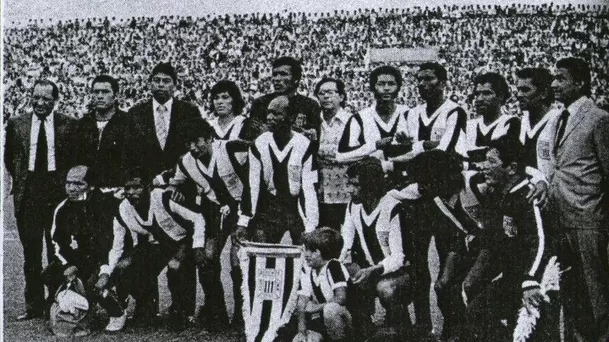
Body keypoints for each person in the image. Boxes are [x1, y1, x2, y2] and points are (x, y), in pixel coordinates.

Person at [156, 118, 251, 331]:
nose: (193, 147)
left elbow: (260, 163)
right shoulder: (186, 161)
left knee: (239, 260)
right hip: (216, 211)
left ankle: (242, 315)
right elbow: (172, 181)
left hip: (244, 209)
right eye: (188, 143)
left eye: (197, 141)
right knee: (207, 258)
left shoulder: (232, 148)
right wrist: (174, 190)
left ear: (209, 138)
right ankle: (215, 311)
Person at [462, 137, 558, 342]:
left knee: (529, 331)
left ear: (511, 168)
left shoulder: (529, 195)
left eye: (491, 161)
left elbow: (540, 241)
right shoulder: (501, 192)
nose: (484, 167)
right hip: (514, 276)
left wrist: (530, 279)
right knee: (476, 312)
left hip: (536, 277)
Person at [4, 79, 78, 320]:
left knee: (57, 251)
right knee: (31, 254)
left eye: (46, 98)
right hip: (30, 195)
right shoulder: (17, 124)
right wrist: (24, 182)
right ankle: (34, 305)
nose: (40, 102)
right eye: (36, 97)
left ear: (55, 101)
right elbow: (9, 159)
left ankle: (55, 301)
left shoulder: (68, 125)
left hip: (57, 194)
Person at [95, 173, 204, 332]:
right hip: (157, 244)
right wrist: (106, 273)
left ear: (148, 187)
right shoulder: (123, 209)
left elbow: (198, 217)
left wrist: (198, 245)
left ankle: (181, 312)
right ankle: (146, 308)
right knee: (126, 266)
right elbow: (117, 246)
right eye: (128, 188)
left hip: (182, 241)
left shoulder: (164, 197)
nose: (132, 192)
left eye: (137, 187)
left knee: (175, 266)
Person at [548, 57, 609, 342]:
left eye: (560, 78)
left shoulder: (598, 118)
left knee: (596, 292)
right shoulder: (560, 116)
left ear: (580, 82)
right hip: (560, 216)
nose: (554, 84)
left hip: (587, 218)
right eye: (554, 78)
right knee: (571, 291)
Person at [339, 158, 413, 340]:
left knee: (385, 288)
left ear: (370, 184)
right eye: (349, 184)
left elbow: (399, 257)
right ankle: (363, 325)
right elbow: (345, 244)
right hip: (370, 270)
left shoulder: (393, 207)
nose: (350, 190)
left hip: (400, 273)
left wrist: (373, 270)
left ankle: (401, 326)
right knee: (343, 274)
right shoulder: (353, 206)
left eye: (355, 185)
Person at [236, 95, 319, 245]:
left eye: (277, 113)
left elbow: (308, 188)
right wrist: (243, 221)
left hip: (295, 206)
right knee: (262, 247)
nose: (270, 117)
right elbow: (252, 184)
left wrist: (310, 224)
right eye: (269, 112)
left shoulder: (304, 145)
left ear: (292, 117)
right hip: (270, 205)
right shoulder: (260, 143)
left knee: (303, 251)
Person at [42, 166, 117, 314]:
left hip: (109, 256)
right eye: (68, 183)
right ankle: (76, 306)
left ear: (92, 186)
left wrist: (104, 271)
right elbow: (57, 242)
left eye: (78, 184)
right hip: (85, 257)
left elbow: (112, 243)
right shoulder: (63, 209)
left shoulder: (107, 205)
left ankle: (117, 308)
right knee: (50, 273)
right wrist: (68, 265)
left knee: (96, 283)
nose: (71, 188)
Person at [127, 62, 202, 180]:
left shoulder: (189, 111)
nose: (161, 85)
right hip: (145, 184)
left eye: (166, 81)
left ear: (175, 85)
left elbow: (196, 149)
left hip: (181, 184)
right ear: (150, 84)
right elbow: (130, 153)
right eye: (157, 80)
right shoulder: (135, 113)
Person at [336, 66, 410, 163]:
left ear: (398, 87)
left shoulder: (409, 114)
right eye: (381, 84)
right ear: (372, 87)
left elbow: (423, 147)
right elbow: (341, 156)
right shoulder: (359, 118)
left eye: (391, 84)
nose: (386, 88)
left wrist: (408, 145)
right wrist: (374, 146)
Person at [293, 227, 352, 342]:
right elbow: (302, 302)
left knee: (330, 310)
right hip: (322, 320)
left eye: (312, 251)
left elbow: (341, 297)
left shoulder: (334, 266)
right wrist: (301, 331)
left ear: (325, 253)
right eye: (306, 250)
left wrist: (316, 308)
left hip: (347, 317)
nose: (306, 254)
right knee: (302, 340)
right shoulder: (308, 270)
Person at [75, 75, 131, 188]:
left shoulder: (128, 123)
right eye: (96, 92)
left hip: (117, 187)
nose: (100, 96)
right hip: (87, 187)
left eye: (105, 92)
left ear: (115, 95)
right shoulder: (82, 124)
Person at [314, 77, 353, 230]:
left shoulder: (352, 120)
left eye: (330, 92)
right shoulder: (314, 121)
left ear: (341, 96)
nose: (326, 96)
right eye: (321, 93)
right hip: (320, 190)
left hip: (346, 188)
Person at [249, 56, 320, 139]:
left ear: (296, 79)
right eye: (274, 74)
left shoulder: (310, 105)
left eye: (283, 74)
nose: (277, 79)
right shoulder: (260, 103)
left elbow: (314, 140)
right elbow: (252, 137)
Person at [462, 72, 520, 162]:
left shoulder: (511, 123)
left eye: (486, 93)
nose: (479, 99)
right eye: (477, 94)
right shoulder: (469, 125)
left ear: (500, 96)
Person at [515, 68, 560, 174]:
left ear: (543, 93)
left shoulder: (558, 121)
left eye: (525, 90)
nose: (519, 95)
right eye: (518, 90)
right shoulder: (523, 120)